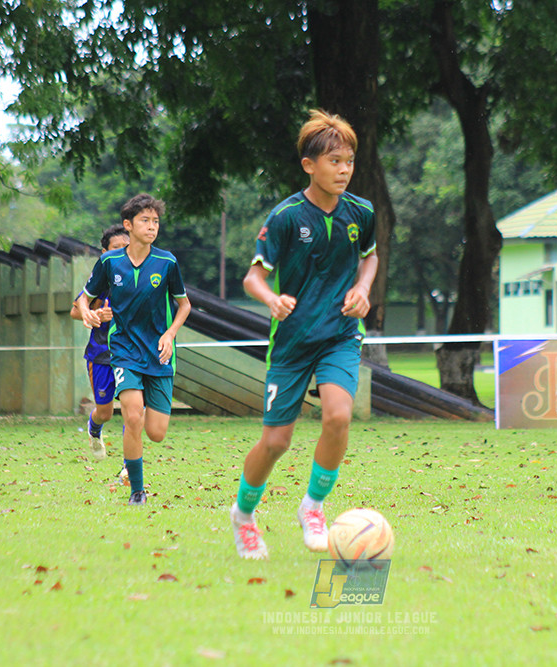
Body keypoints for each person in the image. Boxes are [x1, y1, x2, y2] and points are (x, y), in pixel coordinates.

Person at [230, 109, 378, 559]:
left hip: (340, 333)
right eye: (334, 161)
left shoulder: (362, 212)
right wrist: (271, 299)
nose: (344, 170)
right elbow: (253, 277)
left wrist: (362, 287)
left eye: (349, 161)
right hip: (292, 340)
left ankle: (313, 506)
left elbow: (370, 256)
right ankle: (243, 514)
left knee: (338, 417)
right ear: (309, 165)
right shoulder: (286, 217)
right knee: (276, 441)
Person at [76, 194, 191, 505]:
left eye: (155, 221)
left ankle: (135, 475)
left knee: (156, 432)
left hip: (159, 354)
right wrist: (87, 311)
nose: (152, 227)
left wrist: (170, 333)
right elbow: (84, 298)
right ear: (128, 225)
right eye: (145, 221)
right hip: (124, 350)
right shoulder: (109, 262)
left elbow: (184, 305)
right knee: (132, 416)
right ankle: (137, 491)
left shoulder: (167, 262)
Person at [70, 224, 130, 466]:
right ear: (104, 252)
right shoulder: (100, 280)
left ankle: (130, 466)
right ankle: (94, 430)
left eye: (126, 248)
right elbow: (75, 311)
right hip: (101, 355)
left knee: (133, 411)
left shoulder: (139, 277)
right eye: (116, 249)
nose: (122, 253)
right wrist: (94, 314)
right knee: (105, 412)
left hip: (130, 355)